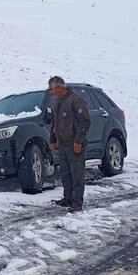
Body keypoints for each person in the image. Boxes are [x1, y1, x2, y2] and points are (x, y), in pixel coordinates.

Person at [47, 76, 91, 212]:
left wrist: (78, 141)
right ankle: (68, 198)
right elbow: (54, 123)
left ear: (59, 87)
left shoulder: (76, 100)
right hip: (62, 144)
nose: (50, 92)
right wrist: (52, 139)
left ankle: (77, 202)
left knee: (77, 173)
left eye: (51, 89)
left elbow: (85, 121)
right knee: (66, 174)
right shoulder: (56, 102)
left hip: (74, 144)